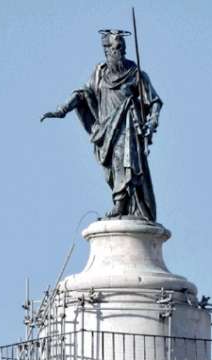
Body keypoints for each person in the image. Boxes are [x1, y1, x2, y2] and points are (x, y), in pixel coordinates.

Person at [41, 29, 162, 221]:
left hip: (127, 125)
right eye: (115, 49)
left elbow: (154, 100)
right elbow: (82, 93)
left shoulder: (135, 73)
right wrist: (62, 109)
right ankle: (122, 202)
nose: (119, 53)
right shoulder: (100, 73)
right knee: (113, 168)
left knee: (125, 159)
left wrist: (152, 120)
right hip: (106, 129)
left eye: (122, 48)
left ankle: (121, 203)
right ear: (107, 51)